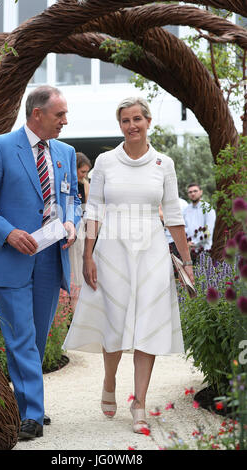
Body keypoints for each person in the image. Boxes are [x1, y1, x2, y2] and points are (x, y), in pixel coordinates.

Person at [63, 97, 194, 434]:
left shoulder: (164, 163)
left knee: (147, 325)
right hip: (112, 249)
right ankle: (109, 380)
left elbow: (175, 215)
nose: (132, 125)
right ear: (120, 124)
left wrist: (188, 262)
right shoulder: (106, 161)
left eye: (137, 118)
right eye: (125, 120)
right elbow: (93, 211)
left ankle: (139, 404)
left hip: (151, 248)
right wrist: (88, 254)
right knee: (116, 322)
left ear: (148, 121)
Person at [0, 85, 81, 440]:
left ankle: (25, 405)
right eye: (59, 115)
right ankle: (33, 414)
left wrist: (71, 223)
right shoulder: (0, 147)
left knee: (33, 338)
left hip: (52, 258)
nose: (65, 121)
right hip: (12, 259)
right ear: (38, 114)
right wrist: (8, 233)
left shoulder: (65, 151)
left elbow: (74, 200)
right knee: (19, 337)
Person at [69, 152, 91, 288]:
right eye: (82, 171)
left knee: (79, 261)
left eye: (86, 172)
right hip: (68, 226)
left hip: (80, 227)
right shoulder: (67, 183)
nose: (84, 175)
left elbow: (87, 208)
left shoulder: (84, 185)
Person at [183, 182, 216, 263]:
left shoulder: (208, 209)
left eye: (195, 191)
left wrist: (194, 242)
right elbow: (184, 228)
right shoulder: (186, 210)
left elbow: (208, 231)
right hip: (189, 250)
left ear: (201, 192)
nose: (193, 194)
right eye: (190, 192)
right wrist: (186, 243)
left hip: (204, 249)